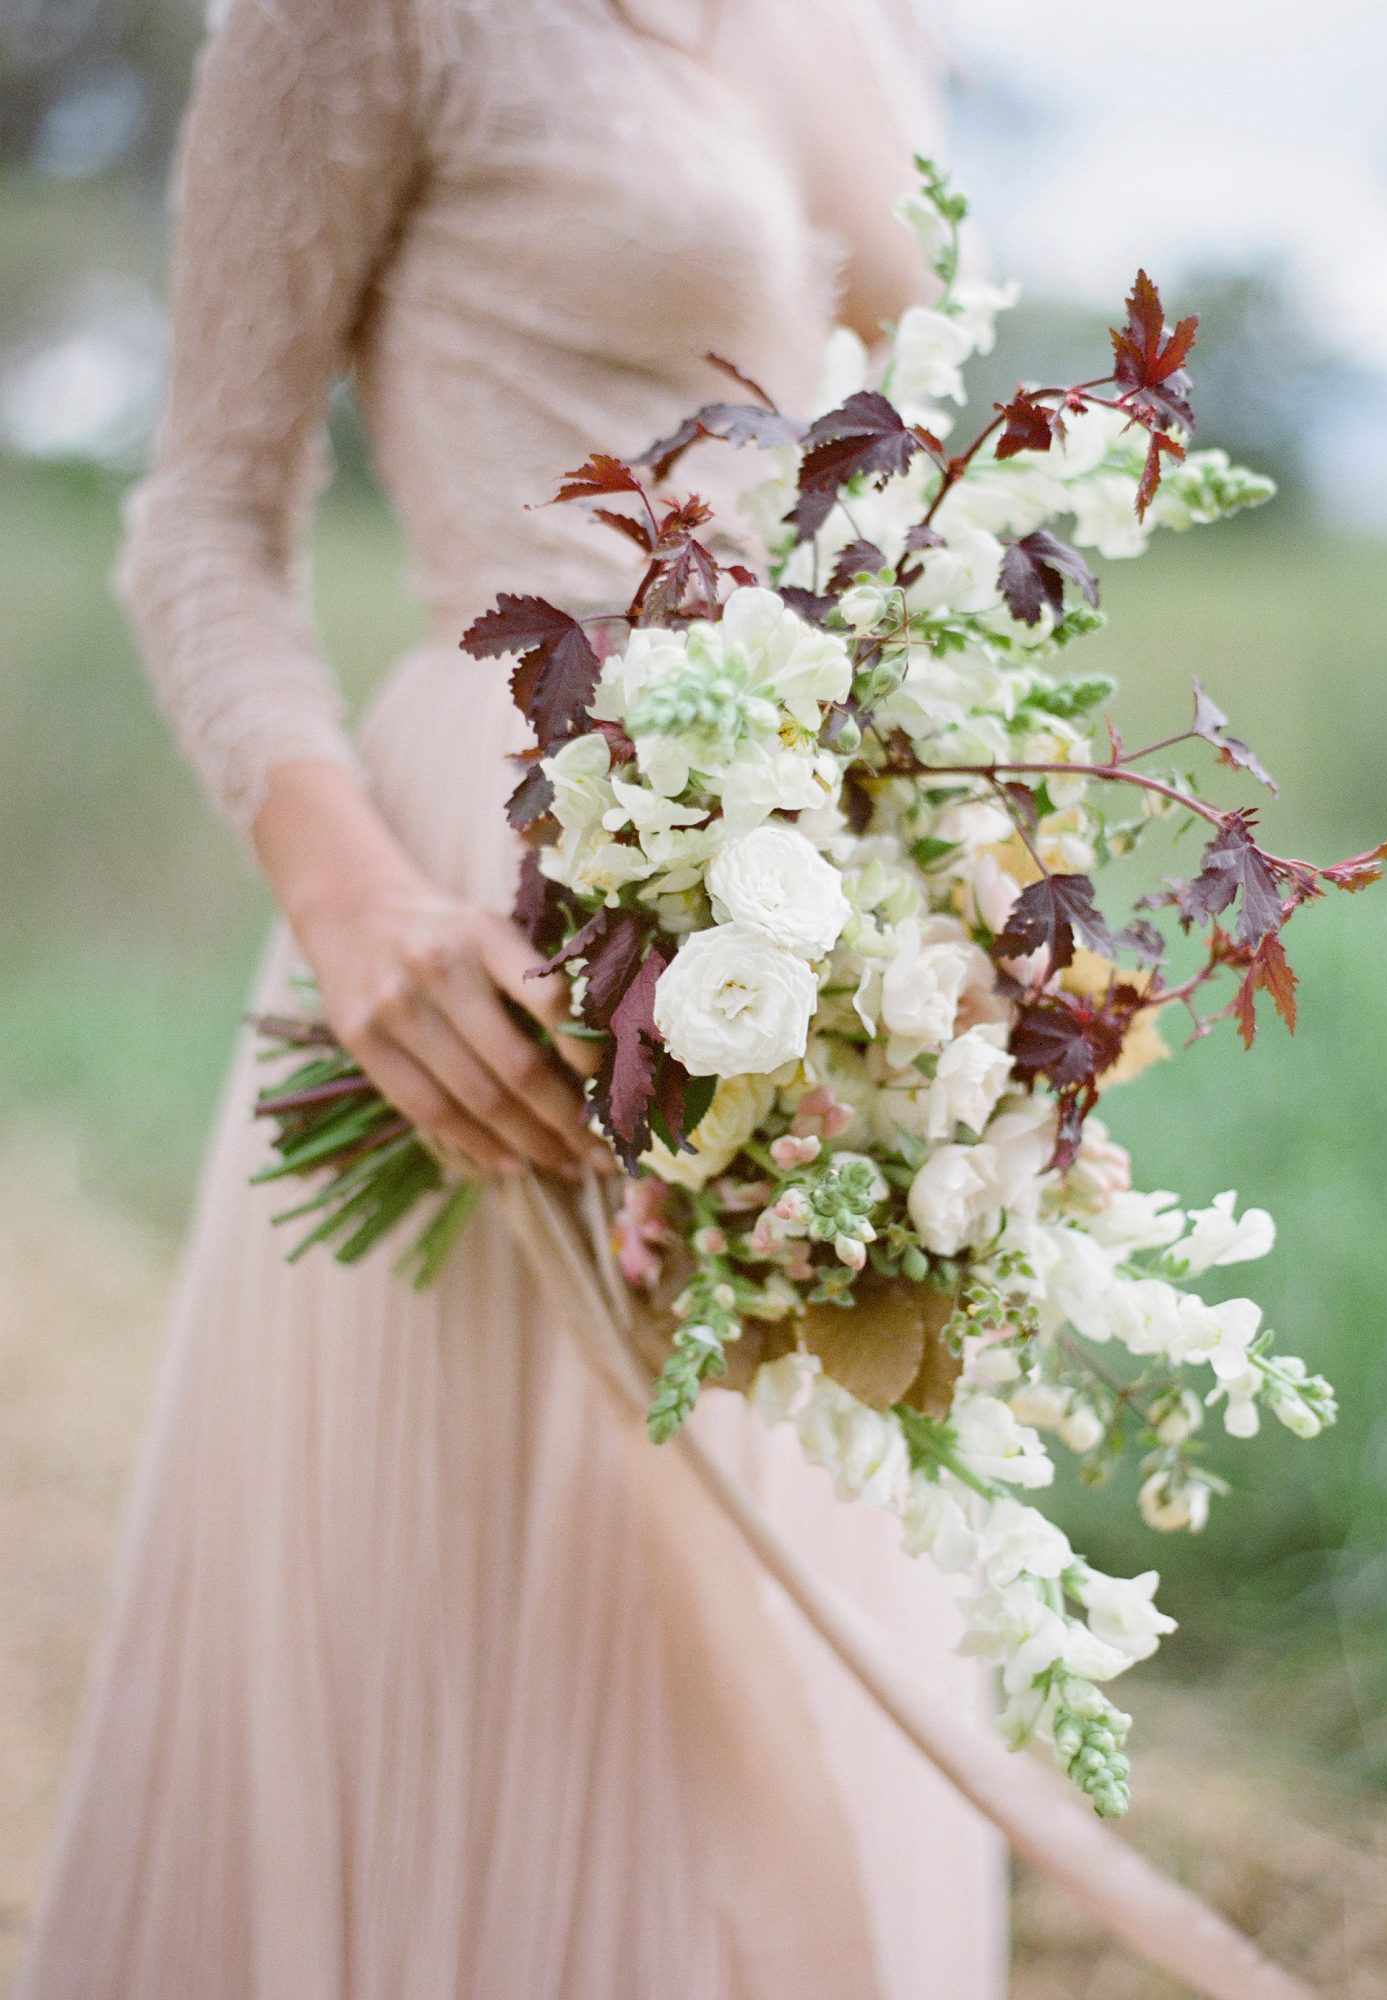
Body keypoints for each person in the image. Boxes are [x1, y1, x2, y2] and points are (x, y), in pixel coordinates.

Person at [14, 2, 1010, 1995]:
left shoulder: (875, 21)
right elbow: (201, 520)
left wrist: (975, 882)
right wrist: (357, 898)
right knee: (541, 1661)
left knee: (820, 1649)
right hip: (514, 890)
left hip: (838, 904)